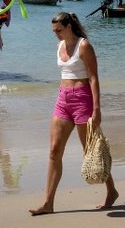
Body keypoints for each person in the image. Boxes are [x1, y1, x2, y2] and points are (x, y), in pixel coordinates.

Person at [29, 12, 119, 216]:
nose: (56, 35)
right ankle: (48, 203)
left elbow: (94, 78)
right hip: (63, 99)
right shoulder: (59, 46)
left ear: (69, 26)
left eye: (59, 30)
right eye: (54, 31)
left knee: (91, 151)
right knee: (54, 151)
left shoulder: (84, 45)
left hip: (83, 99)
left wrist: (97, 109)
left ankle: (111, 190)